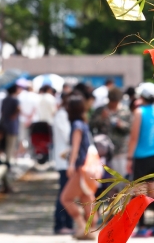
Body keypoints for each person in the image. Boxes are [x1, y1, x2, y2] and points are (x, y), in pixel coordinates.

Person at [126, 83, 154, 238]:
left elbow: (134, 137)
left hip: (141, 157)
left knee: (140, 194)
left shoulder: (139, 112)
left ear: (141, 96)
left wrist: (129, 158)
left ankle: (142, 227)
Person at [60, 94, 96, 240]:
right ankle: (91, 229)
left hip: (80, 167)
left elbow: (75, 148)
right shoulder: (84, 123)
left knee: (66, 199)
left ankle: (81, 226)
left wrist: (70, 165)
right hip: (89, 167)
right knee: (86, 198)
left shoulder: (76, 125)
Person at [89, 87, 131, 180]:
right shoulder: (100, 110)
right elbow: (91, 125)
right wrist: (101, 118)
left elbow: (131, 128)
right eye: (112, 101)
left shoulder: (125, 111)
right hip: (103, 151)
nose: (113, 104)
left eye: (115, 101)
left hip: (120, 150)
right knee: (105, 180)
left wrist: (121, 125)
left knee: (121, 179)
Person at [52, 93, 73, 235]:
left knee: (68, 194)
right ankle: (60, 224)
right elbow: (67, 137)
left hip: (67, 160)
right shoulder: (62, 115)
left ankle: (68, 223)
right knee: (64, 194)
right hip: (64, 161)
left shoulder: (64, 115)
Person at [0, 84, 21, 167]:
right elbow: (18, 109)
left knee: (3, 145)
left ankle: (2, 160)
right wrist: (14, 114)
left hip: (4, 125)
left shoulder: (4, 100)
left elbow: (2, 111)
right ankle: (8, 162)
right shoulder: (15, 100)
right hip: (12, 126)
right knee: (10, 146)